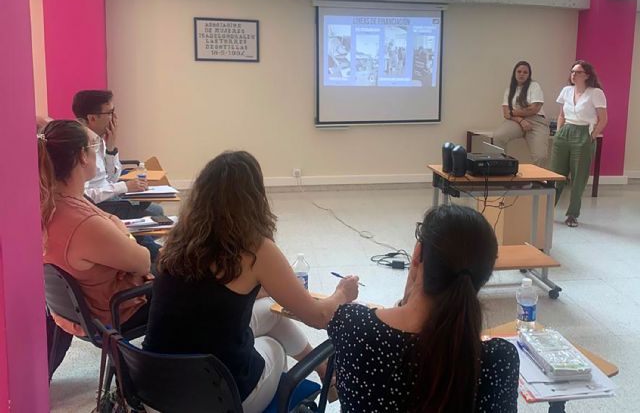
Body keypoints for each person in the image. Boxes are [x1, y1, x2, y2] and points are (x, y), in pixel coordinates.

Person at [142, 151, 359, 413]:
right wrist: (342, 294)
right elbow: (319, 317)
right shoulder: (256, 249)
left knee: (270, 311)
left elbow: (214, 297)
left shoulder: (176, 242)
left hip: (153, 392)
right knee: (275, 348)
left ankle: (326, 374)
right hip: (219, 400)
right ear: (254, 198)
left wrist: (273, 290)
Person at [328, 205, 519, 413]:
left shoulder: (352, 326)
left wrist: (407, 297)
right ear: (484, 275)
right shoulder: (497, 361)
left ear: (417, 254)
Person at [38, 120, 152, 378]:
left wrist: (115, 227)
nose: (97, 153)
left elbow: (110, 223)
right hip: (113, 312)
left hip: (76, 310)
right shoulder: (82, 223)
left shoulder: (52, 202)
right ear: (82, 156)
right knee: (179, 287)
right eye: (94, 146)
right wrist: (121, 231)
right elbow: (142, 261)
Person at [72, 90, 163, 219]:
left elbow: (111, 179)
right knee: (155, 215)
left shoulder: (98, 139)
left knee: (156, 210)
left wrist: (110, 147)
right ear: (92, 118)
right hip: (98, 207)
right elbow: (83, 196)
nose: (114, 118)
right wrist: (123, 186)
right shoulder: (80, 145)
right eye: (110, 113)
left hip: (108, 198)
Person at [550, 60, 608, 227]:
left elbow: (603, 119)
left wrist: (592, 136)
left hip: (584, 132)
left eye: (578, 72)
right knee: (556, 175)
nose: (574, 74)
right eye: (572, 71)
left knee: (578, 177)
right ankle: (548, 209)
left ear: (587, 75)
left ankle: (572, 214)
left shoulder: (595, 92)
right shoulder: (566, 91)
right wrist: (559, 131)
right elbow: (561, 114)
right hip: (565, 132)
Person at [493, 61, 548, 166]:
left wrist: (513, 112)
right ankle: (500, 169)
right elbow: (506, 113)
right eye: (519, 71)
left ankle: (537, 181)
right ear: (514, 73)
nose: (521, 74)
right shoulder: (509, 90)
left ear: (529, 75)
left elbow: (534, 109)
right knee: (498, 136)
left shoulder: (534, 86)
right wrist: (521, 120)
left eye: (525, 72)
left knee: (541, 156)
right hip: (516, 121)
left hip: (536, 121)